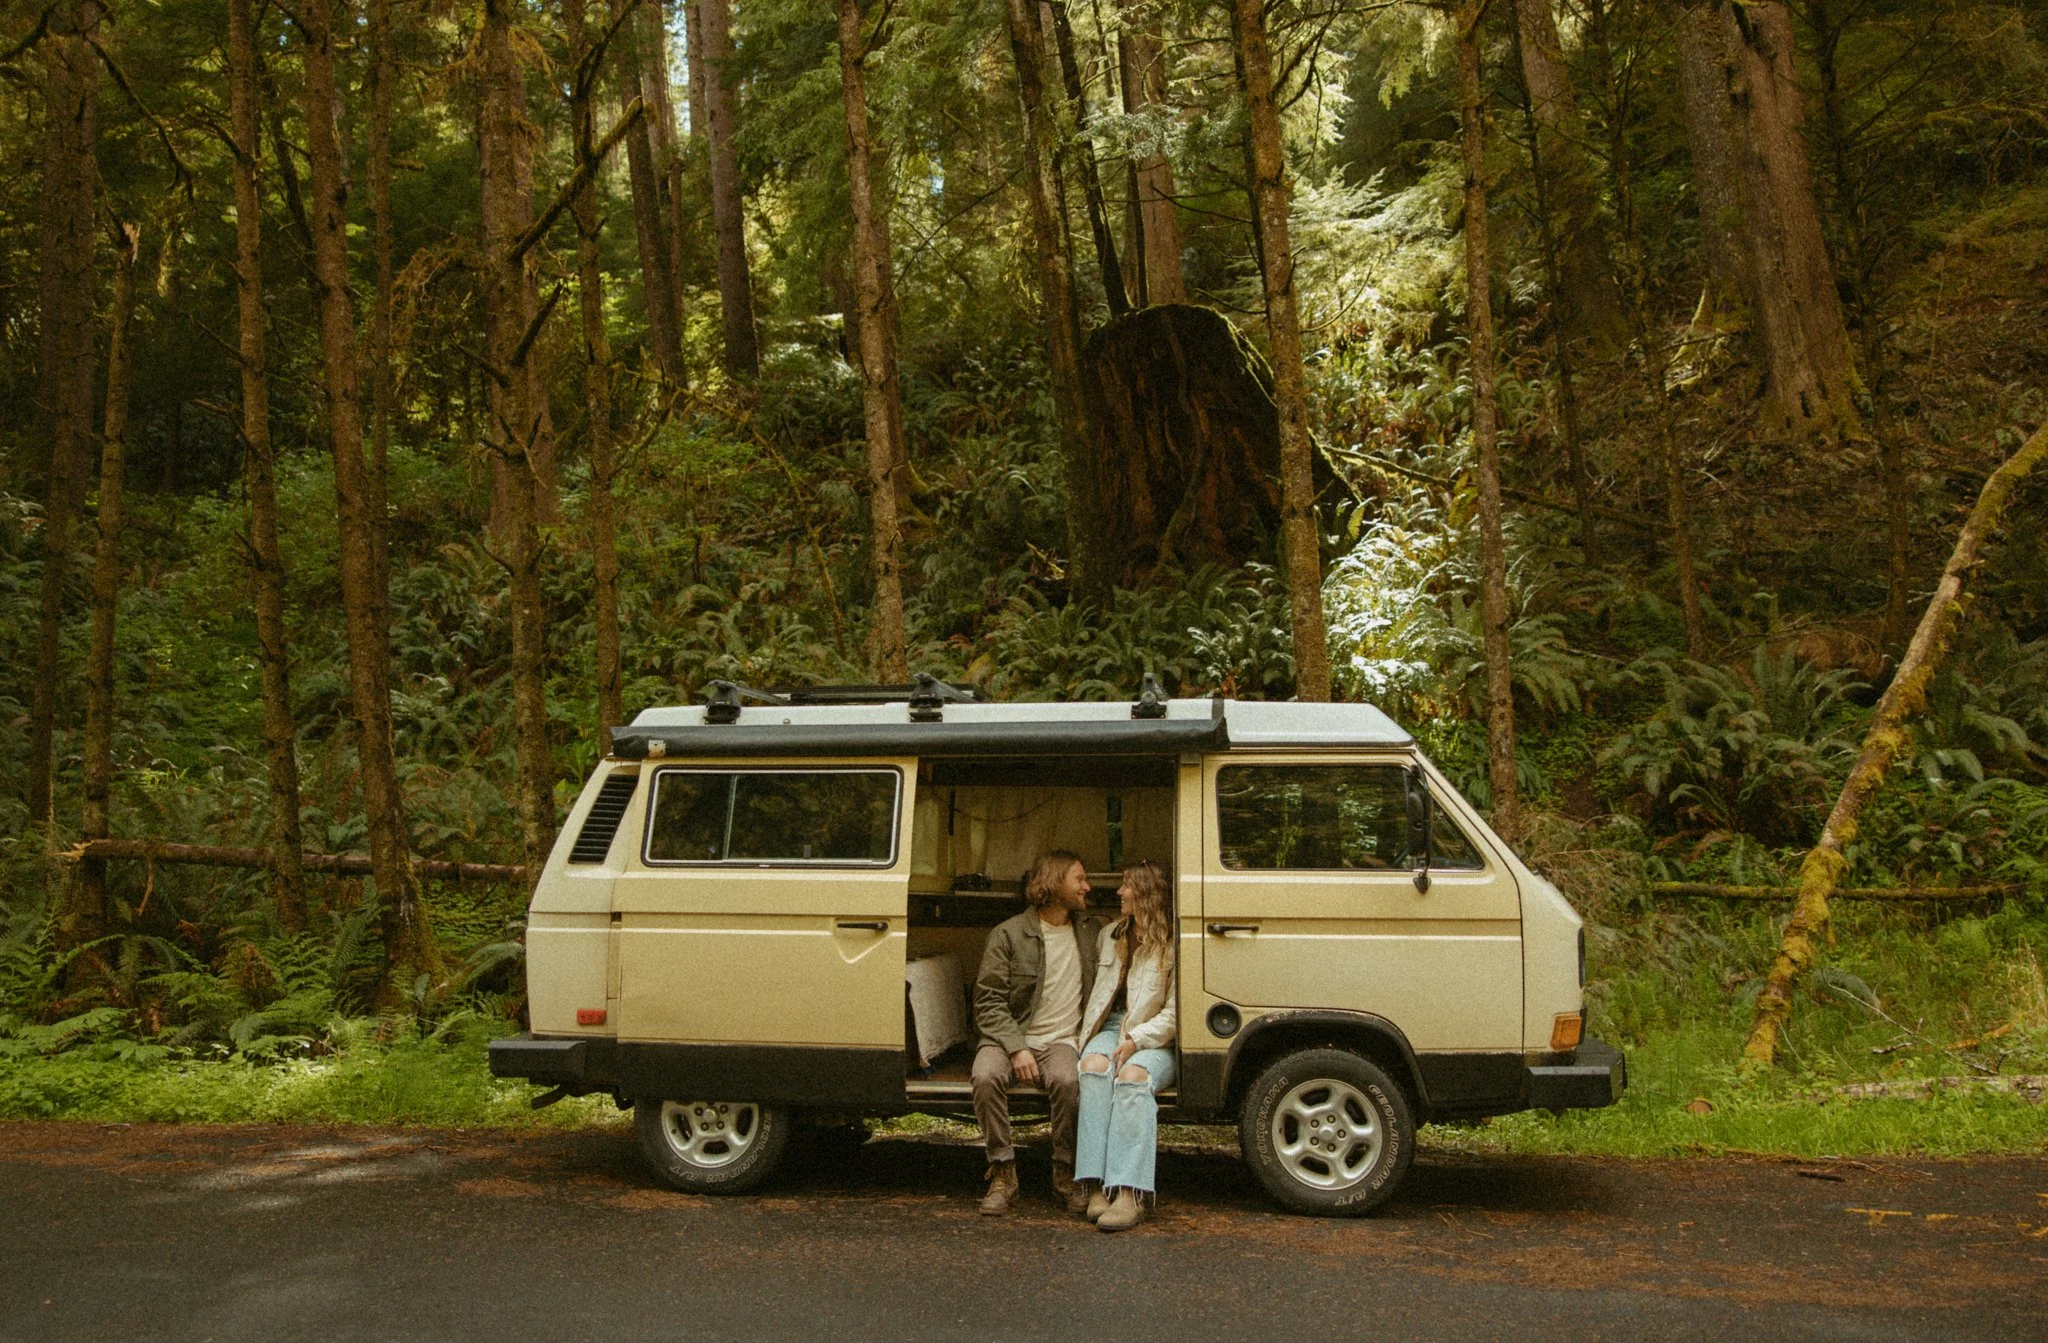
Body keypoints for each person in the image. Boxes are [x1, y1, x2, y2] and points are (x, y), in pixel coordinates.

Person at [971, 849, 1102, 1215]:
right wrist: (1016, 1047)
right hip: (1008, 1036)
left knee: (1067, 1081)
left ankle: (1065, 1173)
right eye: (1079, 879)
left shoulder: (1093, 931)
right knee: (984, 1076)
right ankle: (1003, 1172)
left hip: (1061, 1040)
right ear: (1055, 882)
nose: (1086, 887)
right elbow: (988, 1002)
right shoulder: (1009, 934)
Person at [1072, 860, 1177, 1232]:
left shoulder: (1173, 944)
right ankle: (1095, 1184)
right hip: (1111, 1028)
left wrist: (1138, 1039)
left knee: (1132, 1077)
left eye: (1126, 886)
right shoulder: (1111, 934)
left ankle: (1129, 1193)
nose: (1118, 893)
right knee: (1094, 1069)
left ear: (1145, 894)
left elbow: (1177, 1013)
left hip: (1154, 1037)